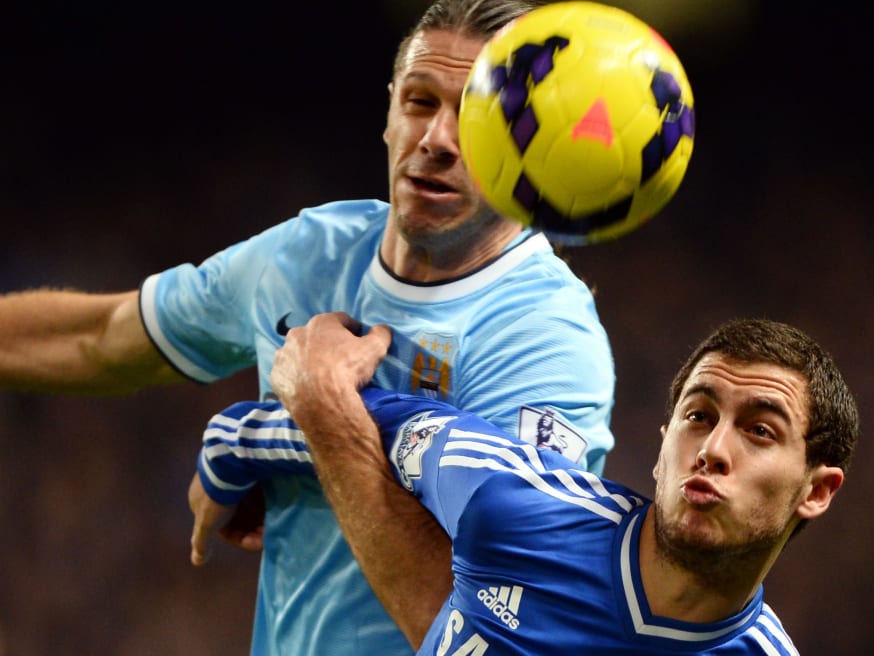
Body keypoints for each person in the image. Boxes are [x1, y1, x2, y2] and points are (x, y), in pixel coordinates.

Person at [0, 0, 616, 653]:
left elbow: (496, 632)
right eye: (418, 101)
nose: (437, 138)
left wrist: (320, 411)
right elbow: (99, 338)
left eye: (476, 114)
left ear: (532, 142)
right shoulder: (307, 255)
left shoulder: (545, 336)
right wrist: (256, 434)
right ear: (387, 113)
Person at [198, 314, 859, 654]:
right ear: (662, 446)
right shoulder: (517, 504)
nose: (713, 448)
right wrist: (227, 451)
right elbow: (343, 411)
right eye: (698, 416)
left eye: (760, 431)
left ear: (818, 489)